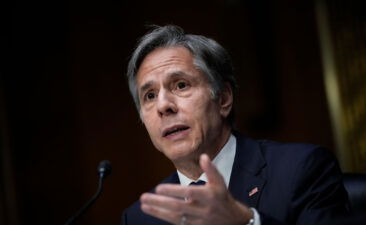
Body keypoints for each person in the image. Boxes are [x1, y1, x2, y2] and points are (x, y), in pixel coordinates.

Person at [121, 25, 348, 225]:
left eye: (181, 85)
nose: (163, 106)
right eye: (149, 96)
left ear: (223, 98)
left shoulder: (302, 170)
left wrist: (246, 221)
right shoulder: (141, 217)